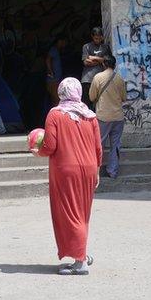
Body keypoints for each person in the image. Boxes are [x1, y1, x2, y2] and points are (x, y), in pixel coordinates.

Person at [33, 77, 102, 275]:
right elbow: (98, 148)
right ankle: (81, 253)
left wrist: (37, 151)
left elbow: (49, 146)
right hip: (89, 168)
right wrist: (97, 170)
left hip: (66, 169)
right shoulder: (90, 116)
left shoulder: (55, 115)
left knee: (70, 214)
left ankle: (80, 262)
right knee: (82, 214)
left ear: (61, 92)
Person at [89, 56, 127, 178]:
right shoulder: (120, 78)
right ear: (114, 65)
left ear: (104, 65)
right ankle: (113, 171)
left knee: (99, 143)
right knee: (115, 145)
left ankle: (95, 171)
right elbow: (124, 98)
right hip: (118, 117)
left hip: (103, 116)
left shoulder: (98, 77)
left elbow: (91, 96)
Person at [80, 27, 112, 106]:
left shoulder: (106, 47)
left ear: (102, 37)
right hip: (87, 79)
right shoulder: (86, 46)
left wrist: (93, 57)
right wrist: (101, 60)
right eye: (95, 38)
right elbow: (86, 62)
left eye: (99, 38)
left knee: (99, 104)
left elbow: (109, 61)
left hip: (101, 80)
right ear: (92, 36)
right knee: (86, 105)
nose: (97, 40)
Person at [44, 35, 67, 106]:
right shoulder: (53, 49)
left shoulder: (57, 50)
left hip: (56, 80)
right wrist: (50, 71)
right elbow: (48, 59)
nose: (65, 44)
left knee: (55, 101)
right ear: (60, 41)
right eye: (64, 42)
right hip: (53, 81)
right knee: (57, 101)